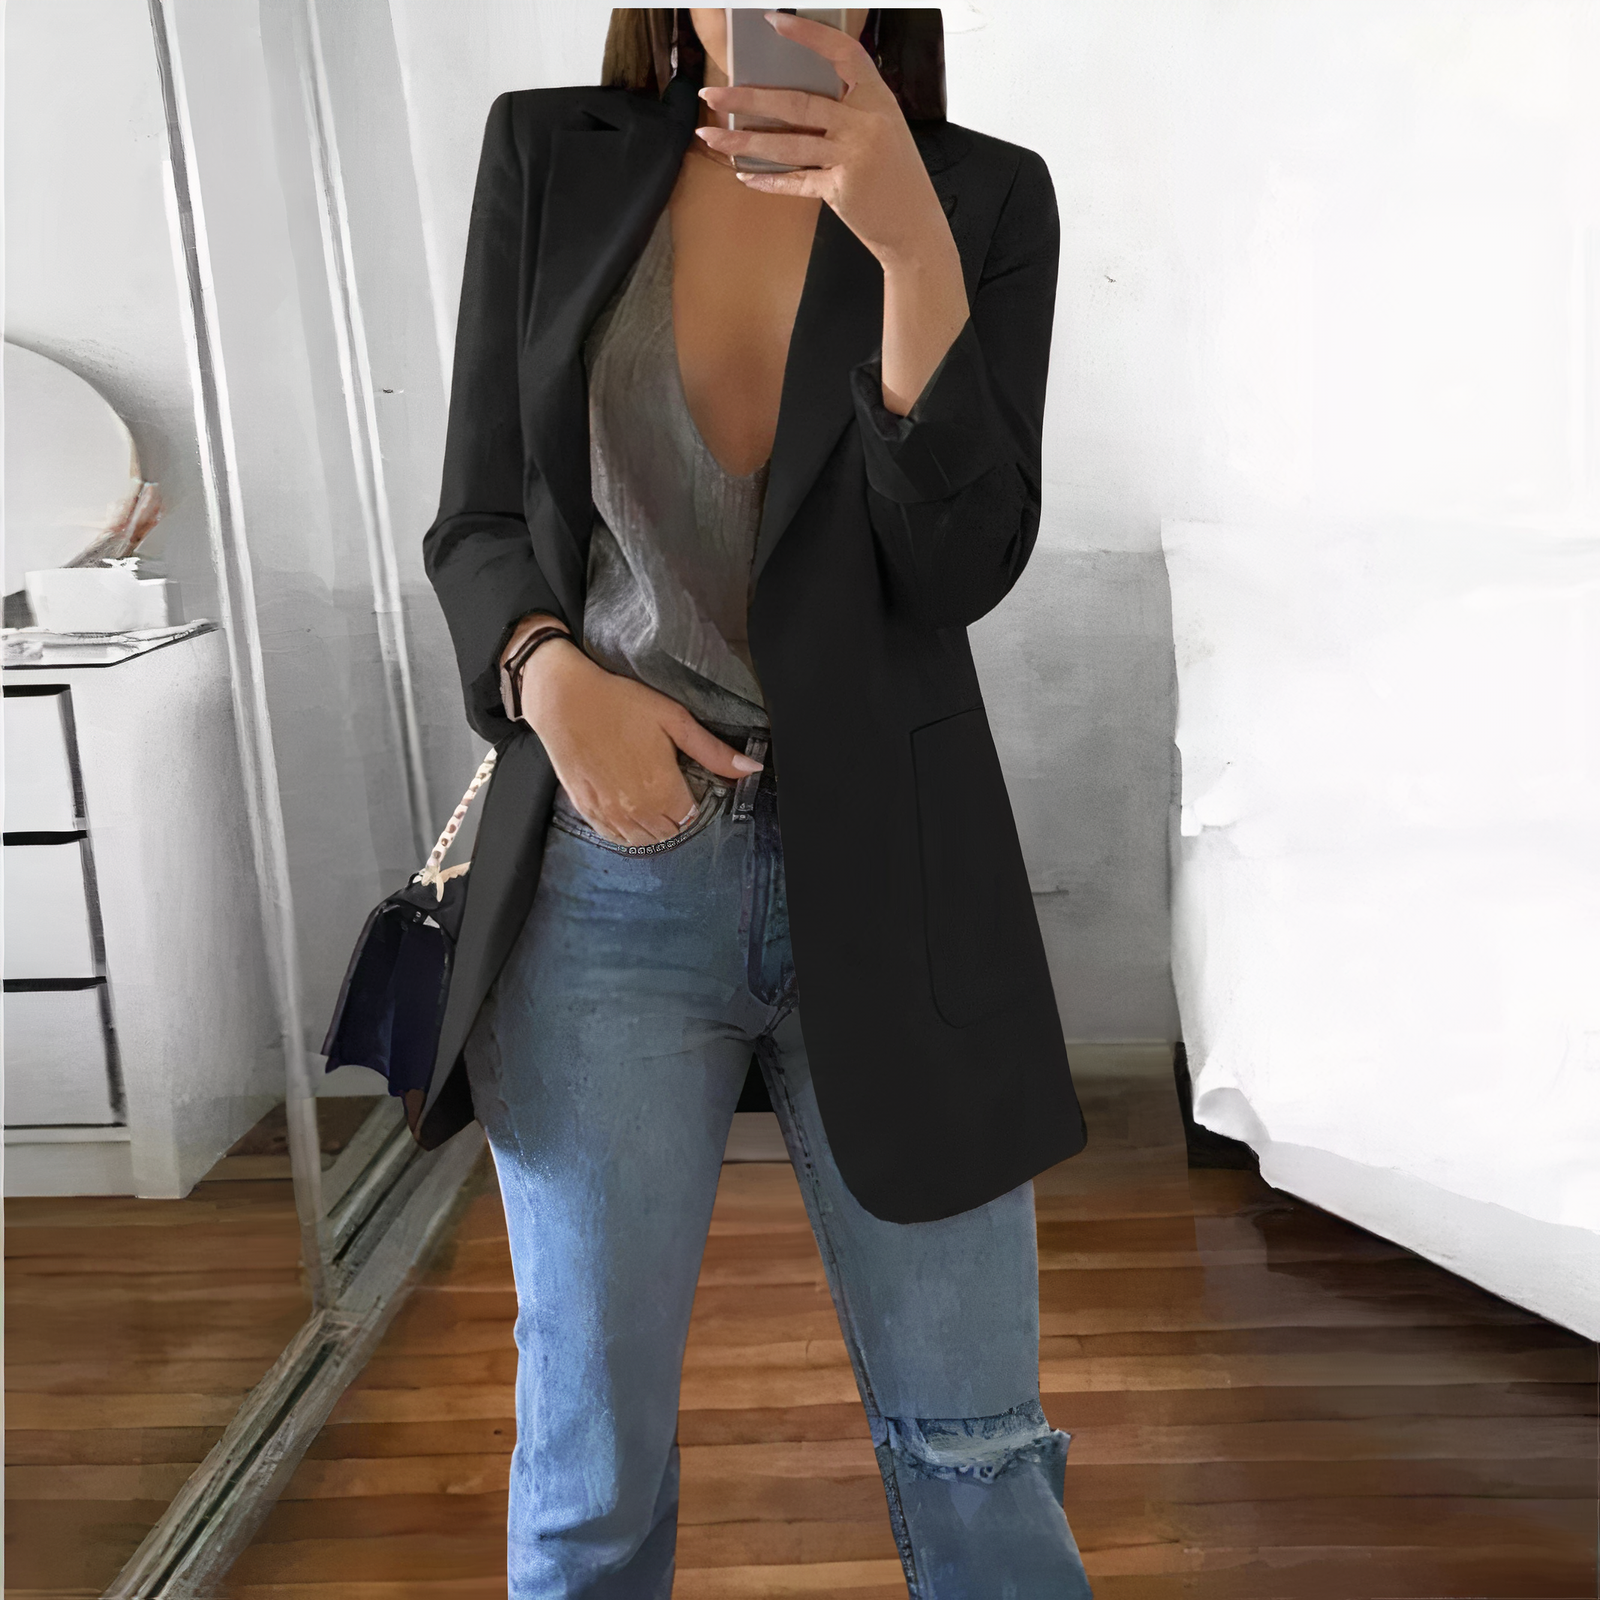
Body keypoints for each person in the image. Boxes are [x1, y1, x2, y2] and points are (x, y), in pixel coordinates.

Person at [420, 8, 1092, 1595]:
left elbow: (957, 564)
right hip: (609, 877)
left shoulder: (985, 195)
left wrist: (910, 248)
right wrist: (550, 677)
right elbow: (480, 518)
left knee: (980, 1454)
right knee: (587, 1472)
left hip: (897, 874)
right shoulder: (549, 156)